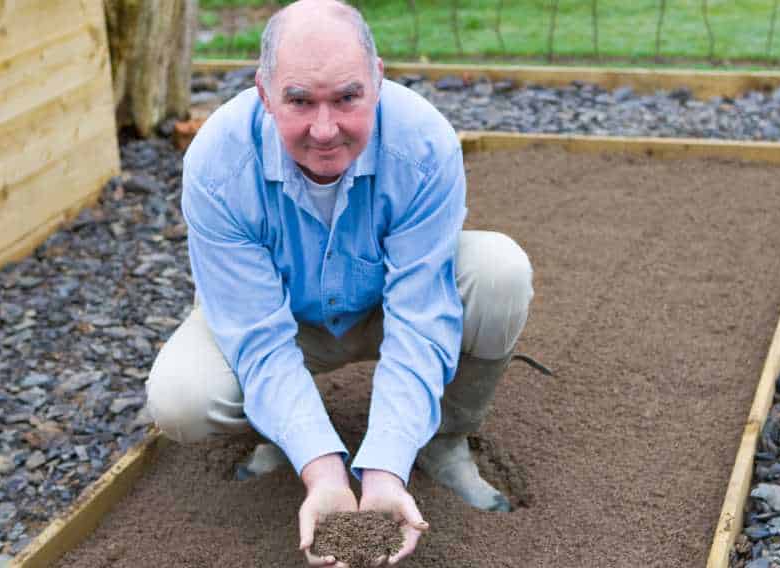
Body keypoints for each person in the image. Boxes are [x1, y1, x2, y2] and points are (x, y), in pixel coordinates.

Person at [145, 0, 534, 565]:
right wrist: (325, 472)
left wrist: (383, 471)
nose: (324, 130)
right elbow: (258, 337)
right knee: (180, 397)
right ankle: (286, 434)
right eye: (299, 100)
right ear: (264, 92)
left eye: (347, 98)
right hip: (285, 319)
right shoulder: (218, 163)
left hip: (383, 306)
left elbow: (421, 317)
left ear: (376, 81)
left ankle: (443, 438)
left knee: (501, 272)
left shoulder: (424, 144)